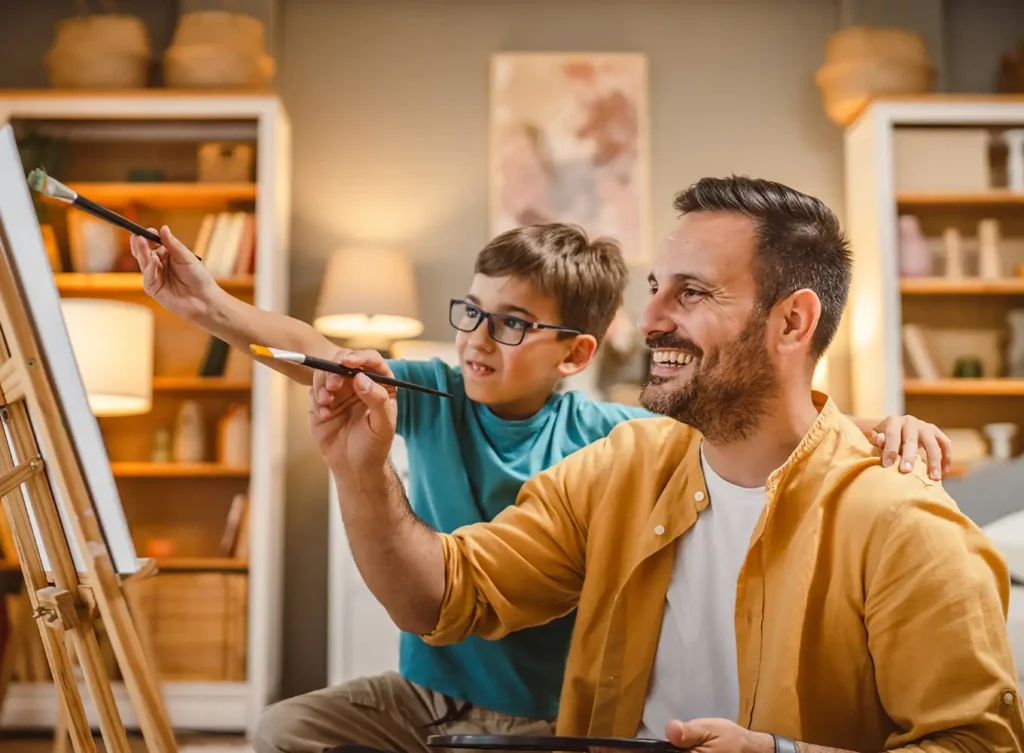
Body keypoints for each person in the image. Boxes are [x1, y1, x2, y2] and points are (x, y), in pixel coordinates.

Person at [131, 217, 950, 753]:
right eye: (472, 311)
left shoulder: (612, 444)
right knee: (281, 731)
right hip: (423, 691)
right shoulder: (430, 394)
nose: (479, 340)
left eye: (513, 322)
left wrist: (874, 428)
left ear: (575, 355)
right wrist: (210, 307)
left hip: (537, 715)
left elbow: (750, 428)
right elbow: (312, 347)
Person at [308, 176, 1023, 753]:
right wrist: (361, 472)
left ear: (793, 322)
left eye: (692, 291)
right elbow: (438, 597)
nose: (649, 320)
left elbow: (975, 742)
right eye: (654, 287)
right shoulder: (620, 466)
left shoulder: (907, 524)